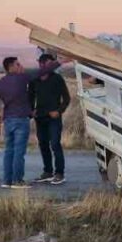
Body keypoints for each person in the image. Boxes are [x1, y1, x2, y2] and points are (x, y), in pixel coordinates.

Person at [0, 56, 34, 189]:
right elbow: (41, 72)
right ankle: (17, 181)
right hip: (21, 119)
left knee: (9, 150)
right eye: (18, 64)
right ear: (11, 67)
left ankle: (7, 180)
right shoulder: (21, 78)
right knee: (19, 151)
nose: (20, 66)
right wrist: (59, 62)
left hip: (8, 120)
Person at [31, 53, 70, 185]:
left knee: (55, 144)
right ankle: (47, 172)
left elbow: (66, 98)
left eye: (52, 64)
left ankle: (59, 173)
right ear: (41, 64)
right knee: (43, 144)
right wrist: (31, 111)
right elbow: (30, 96)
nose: (51, 66)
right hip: (40, 117)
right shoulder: (35, 79)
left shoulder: (57, 78)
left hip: (53, 118)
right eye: (49, 64)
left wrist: (59, 111)